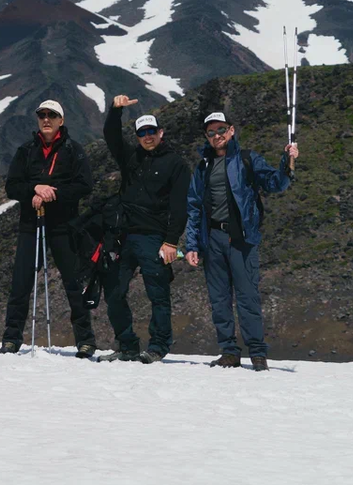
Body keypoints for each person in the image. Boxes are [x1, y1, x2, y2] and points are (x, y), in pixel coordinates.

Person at [184, 112, 298, 372]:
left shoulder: (248, 159)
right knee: (219, 299)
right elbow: (193, 207)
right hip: (212, 239)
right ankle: (229, 352)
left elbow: (275, 184)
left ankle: (257, 353)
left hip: (242, 239)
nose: (216, 135)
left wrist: (287, 162)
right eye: (211, 132)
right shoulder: (202, 167)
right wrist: (192, 245)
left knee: (248, 297)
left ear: (231, 130)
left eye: (221, 129)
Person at [0, 99, 97, 358]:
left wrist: (53, 193)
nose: (46, 119)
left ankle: (86, 341)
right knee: (21, 283)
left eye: (52, 115)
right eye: (42, 115)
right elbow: (12, 186)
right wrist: (34, 189)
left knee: (73, 283)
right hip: (31, 225)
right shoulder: (26, 150)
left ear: (61, 121)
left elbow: (85, 185)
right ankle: (10, 338)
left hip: (64, 225)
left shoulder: (73, 150)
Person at [100, 95, 190, 363]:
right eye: (142, 133)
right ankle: (127, 344)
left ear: (161, 133)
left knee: (158, 293)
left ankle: (158, 346)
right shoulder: (130, 157)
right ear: (138, 136)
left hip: (154, 237)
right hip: (123, 236)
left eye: (152, 131)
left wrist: (171, 241)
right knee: (114, 291)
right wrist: (115, 110)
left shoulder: (176, 164)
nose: (147, 136)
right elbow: (111, 136)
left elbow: (180, 206)